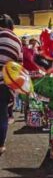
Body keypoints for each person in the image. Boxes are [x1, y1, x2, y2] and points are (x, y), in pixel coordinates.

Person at [0, 14, 23, 156]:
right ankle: (0, 145)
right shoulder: (17, 40)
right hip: (4, 82)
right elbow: (19, 66)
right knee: (2, 113)